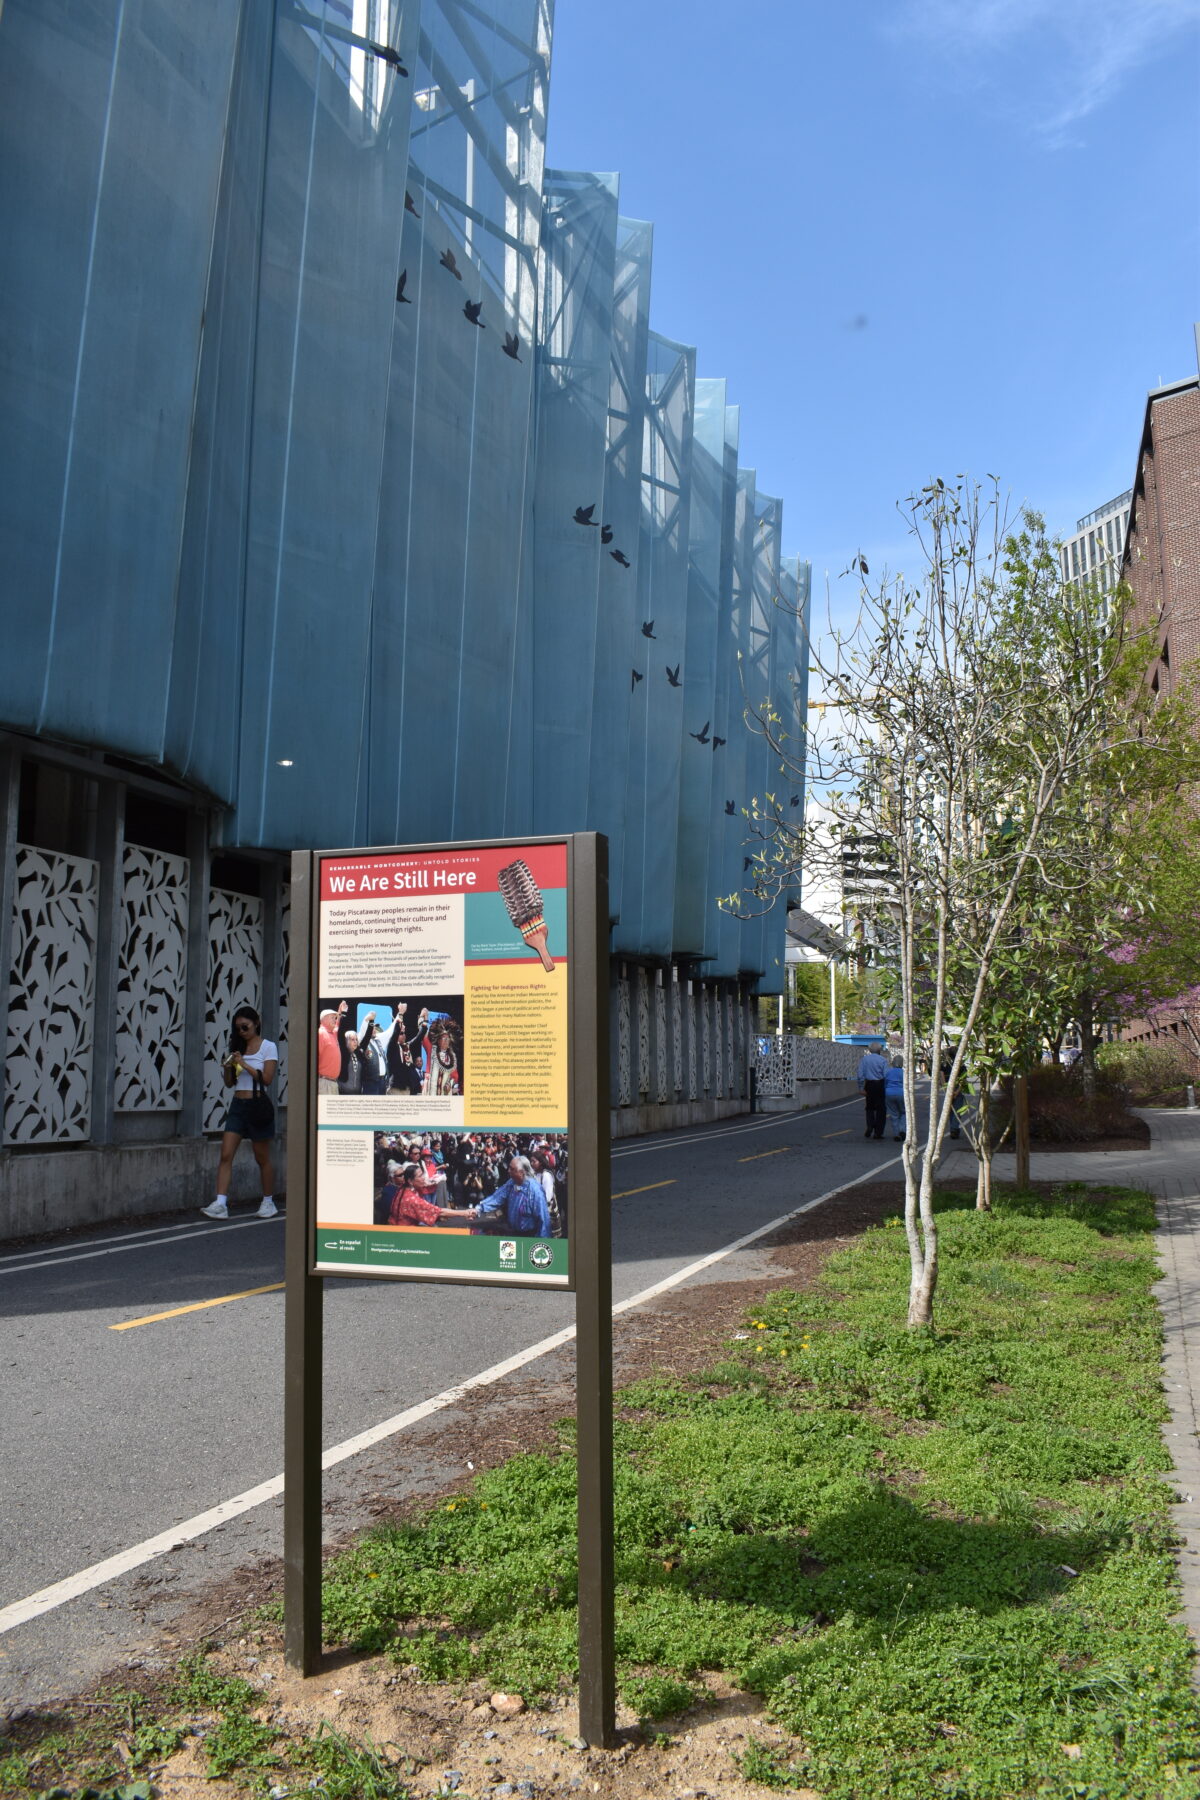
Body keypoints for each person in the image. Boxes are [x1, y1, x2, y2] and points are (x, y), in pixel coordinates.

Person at [202, 1006, 278, 1219]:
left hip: (258, 1105)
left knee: (261, 1157)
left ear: (256, 1023)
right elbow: (229, 1084)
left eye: (245, 1027)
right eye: (238, 1029)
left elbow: (267, 1079)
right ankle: (220, 1203)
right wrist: (228, 1067)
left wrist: (243, 1064)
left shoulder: (268, 1047)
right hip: (238, 1105)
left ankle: (268, 1201)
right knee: (226, 1154)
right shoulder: (238, 1047)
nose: (242, 1032)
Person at [475, 1156, 551, 1237]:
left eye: (512, 1169)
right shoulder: (512, 1182)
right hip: (512, 1232)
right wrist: (478, 1208)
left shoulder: (535, 1191)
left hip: (529, 1236)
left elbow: (544, 1221)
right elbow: (496, 1197)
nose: (508, 1171)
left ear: (522, 1172)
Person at [387, 1164, 466, 1228]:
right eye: (420, 1176)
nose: (424, 1178)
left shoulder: (402, 1188)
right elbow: (439, 1212)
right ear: (410, 1181)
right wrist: (465, 1213)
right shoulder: (411, 1199)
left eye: (423, 1174)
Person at [857, 1045, 888, 1140]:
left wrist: (861, 1088)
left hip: (869, 1084)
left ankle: (870, 1125)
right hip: (880, 1085)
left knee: (869, 1107)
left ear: (870, 1050)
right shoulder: (883, 1060)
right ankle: (878, 1132)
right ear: (879, 1050)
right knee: (881, 1109)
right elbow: (886, 1075)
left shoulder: (864, 1060)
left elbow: (860, 1074)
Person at [317, 1006, 343, 1095]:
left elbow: (337, 1025)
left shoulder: (332, 1033)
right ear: (324, 1019)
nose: (335, 1020)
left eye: (335, 1018)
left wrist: (339, 1012)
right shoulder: (320, 1033)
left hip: (333, 1083)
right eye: (332, 1018)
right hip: (324, 1082)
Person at [884, 1054, 906, 1141]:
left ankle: (896, 1134)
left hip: (889, 1093)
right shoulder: (904, 1072)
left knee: (894, 1114)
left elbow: (884, 1083)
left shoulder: (888, 1072)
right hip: (901, 1093)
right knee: (904, 1113)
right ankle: (902, 1130)